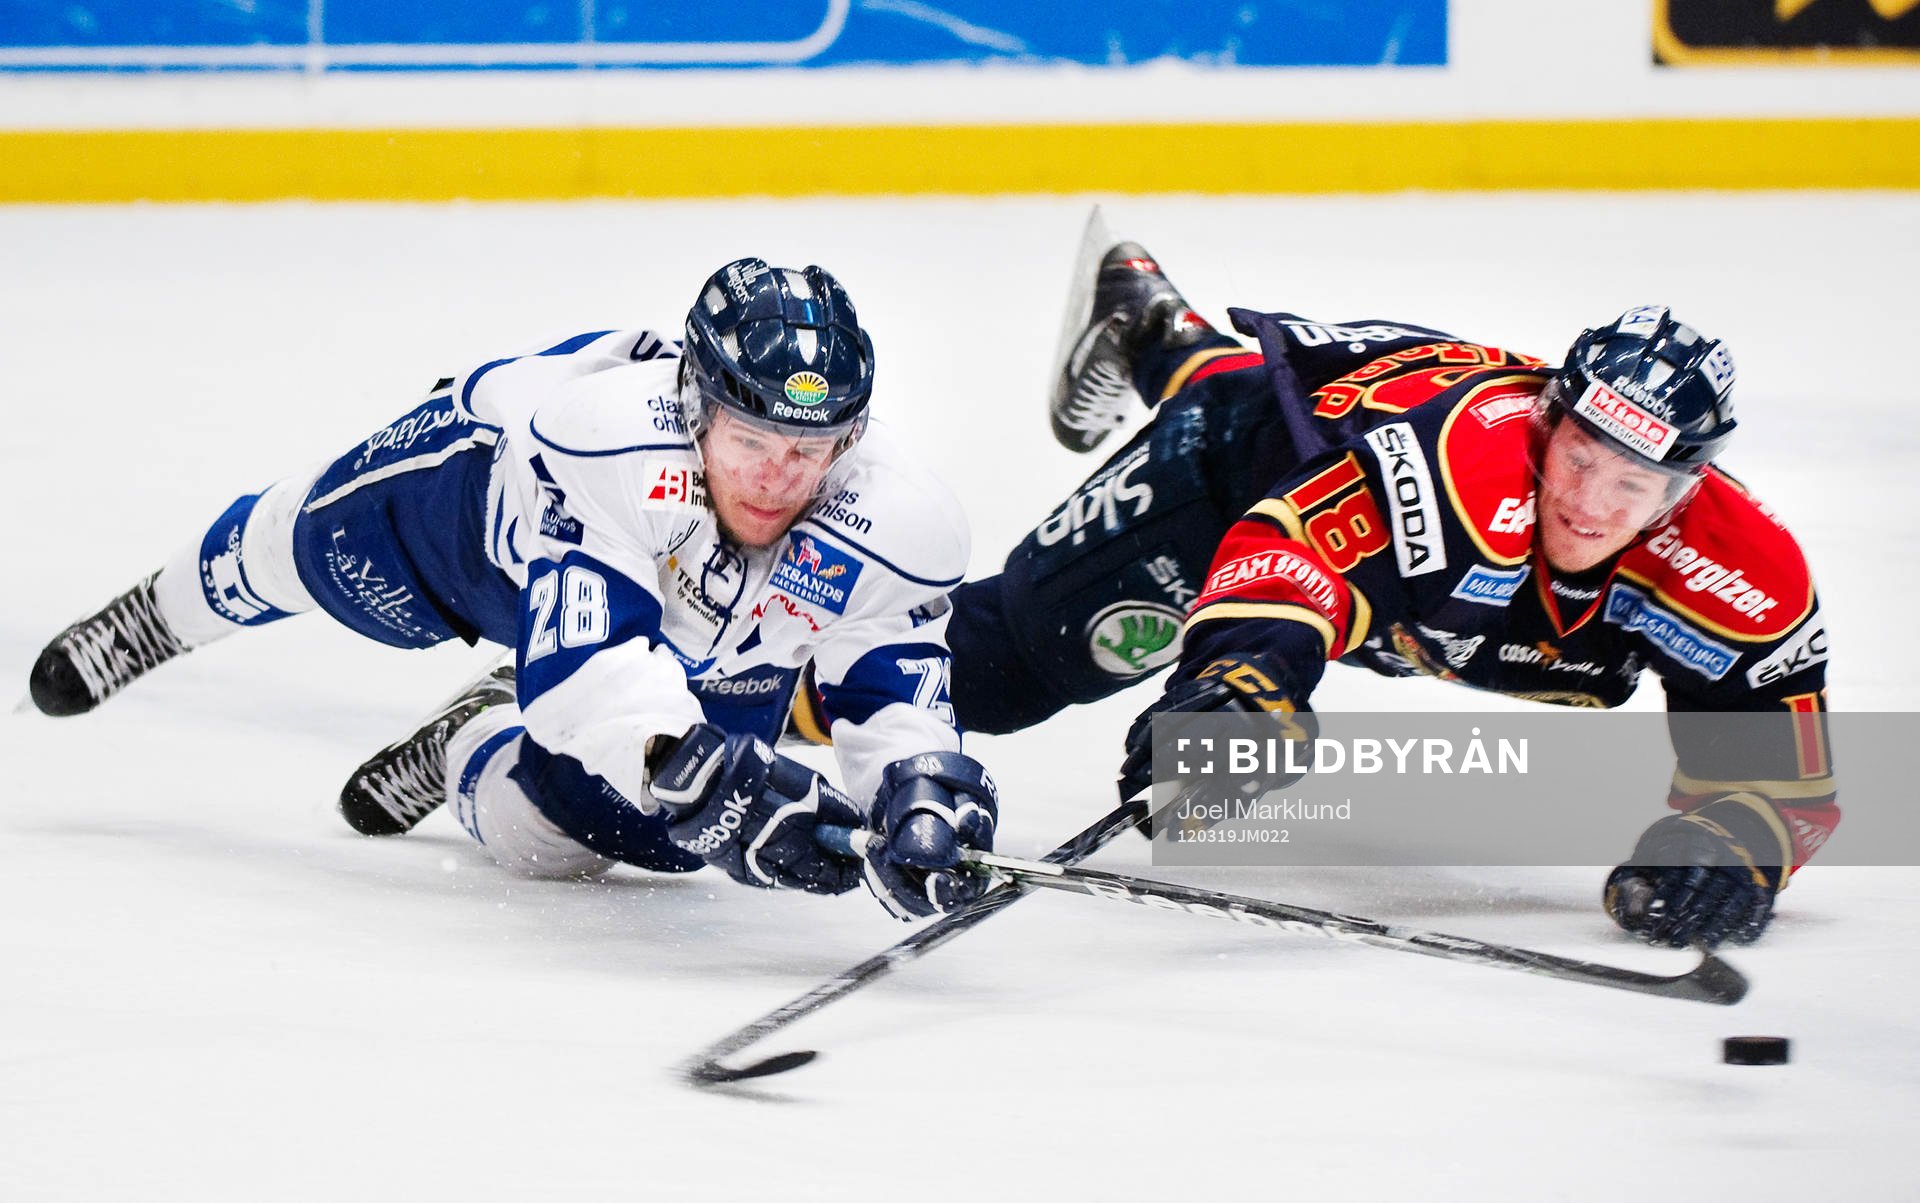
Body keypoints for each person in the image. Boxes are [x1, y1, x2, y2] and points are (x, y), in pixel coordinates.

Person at [938, 217, 1835, 950]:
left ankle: (1154, 326)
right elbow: (1296, 552)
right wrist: (1245, 682)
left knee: (1294, 428)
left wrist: (1732, 847)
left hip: (1376, 480)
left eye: (1632, 483)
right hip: (1237, 472)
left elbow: (1782, 783)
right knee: (1004, 670)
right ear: (1547, 421)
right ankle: (1159, 342)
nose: (1589, 503)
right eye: (1578, 457)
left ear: (1685, 491)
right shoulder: (1460, 470)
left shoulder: (1739, 574)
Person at [28, 258, 997, 921]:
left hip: (670, 618)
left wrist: (920, 788)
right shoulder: (607, 447)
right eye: (750, 440)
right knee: (315, 550)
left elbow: (890, 681)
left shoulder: (884, 515)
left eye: (809, 448)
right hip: (479, 530)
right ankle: (159, 615)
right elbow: (585, 676)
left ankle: (471, 738)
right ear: (694, 406)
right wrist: (702, 771)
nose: (779, 479)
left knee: (646, 835)